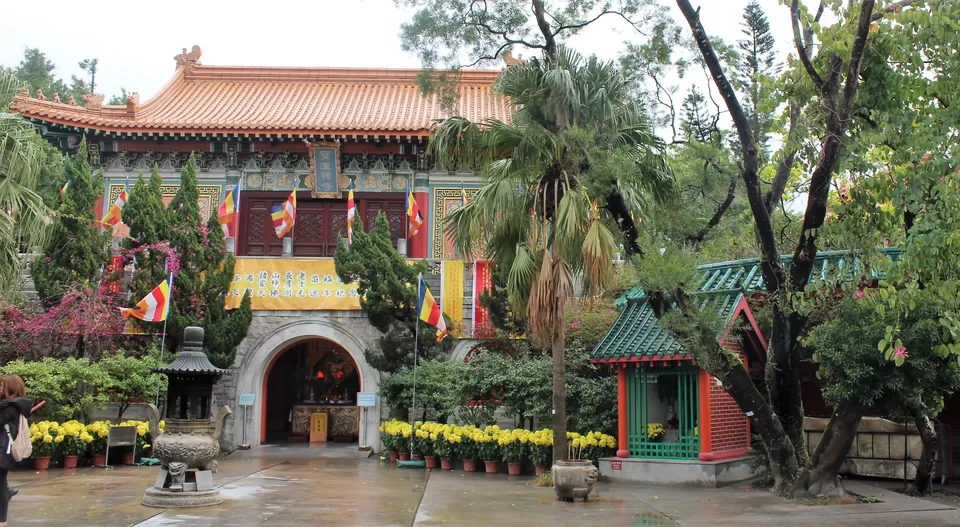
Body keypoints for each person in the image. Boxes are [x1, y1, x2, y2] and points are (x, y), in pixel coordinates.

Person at [0, 375, 32, 527]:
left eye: (2, 386)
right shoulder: (10, 405)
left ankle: (2, 521)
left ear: (9, 388)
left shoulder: (10, 407)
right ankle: (7, 491)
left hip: (2, 452)